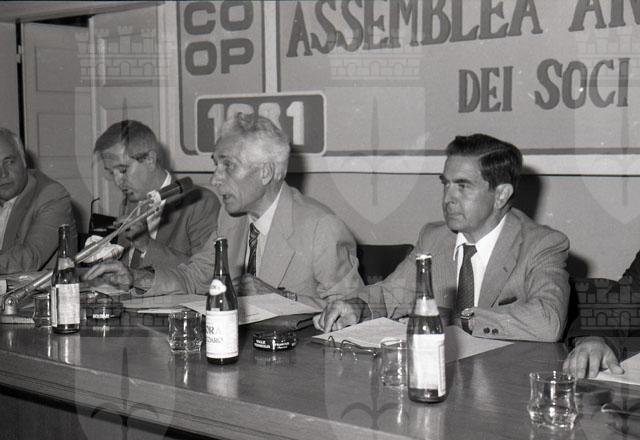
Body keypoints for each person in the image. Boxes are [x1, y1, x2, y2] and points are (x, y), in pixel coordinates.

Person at [86, 113, 364, 308]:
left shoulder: (321, 227)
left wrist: (281, 299)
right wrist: (136, 277)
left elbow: (352, 310)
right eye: (215, 165)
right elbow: (194, 278)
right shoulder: (231, 219)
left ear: (266, 172)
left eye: (228, 166)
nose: (215, 179)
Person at [315, 134, 570, 341]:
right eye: (445, 184)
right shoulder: (434, 237)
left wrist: (461, 319)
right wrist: (358, 305)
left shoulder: (542, 245)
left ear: (501, 195)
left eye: (463, 186)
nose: (448, 198)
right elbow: (392, 294)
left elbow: (548, 321)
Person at [94, 120, 219, 268]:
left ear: (150, 160)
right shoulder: (129, 204)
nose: (117, 181)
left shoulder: (200, 203)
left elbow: (206, 271)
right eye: (111, 173)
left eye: (123, 170)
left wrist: (147, 246)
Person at [0, 128, 76, 273]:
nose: (2, 174)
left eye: (9, 162)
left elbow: (29, 258)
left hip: (42, 287)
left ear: (24, 161)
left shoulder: (52, 195)